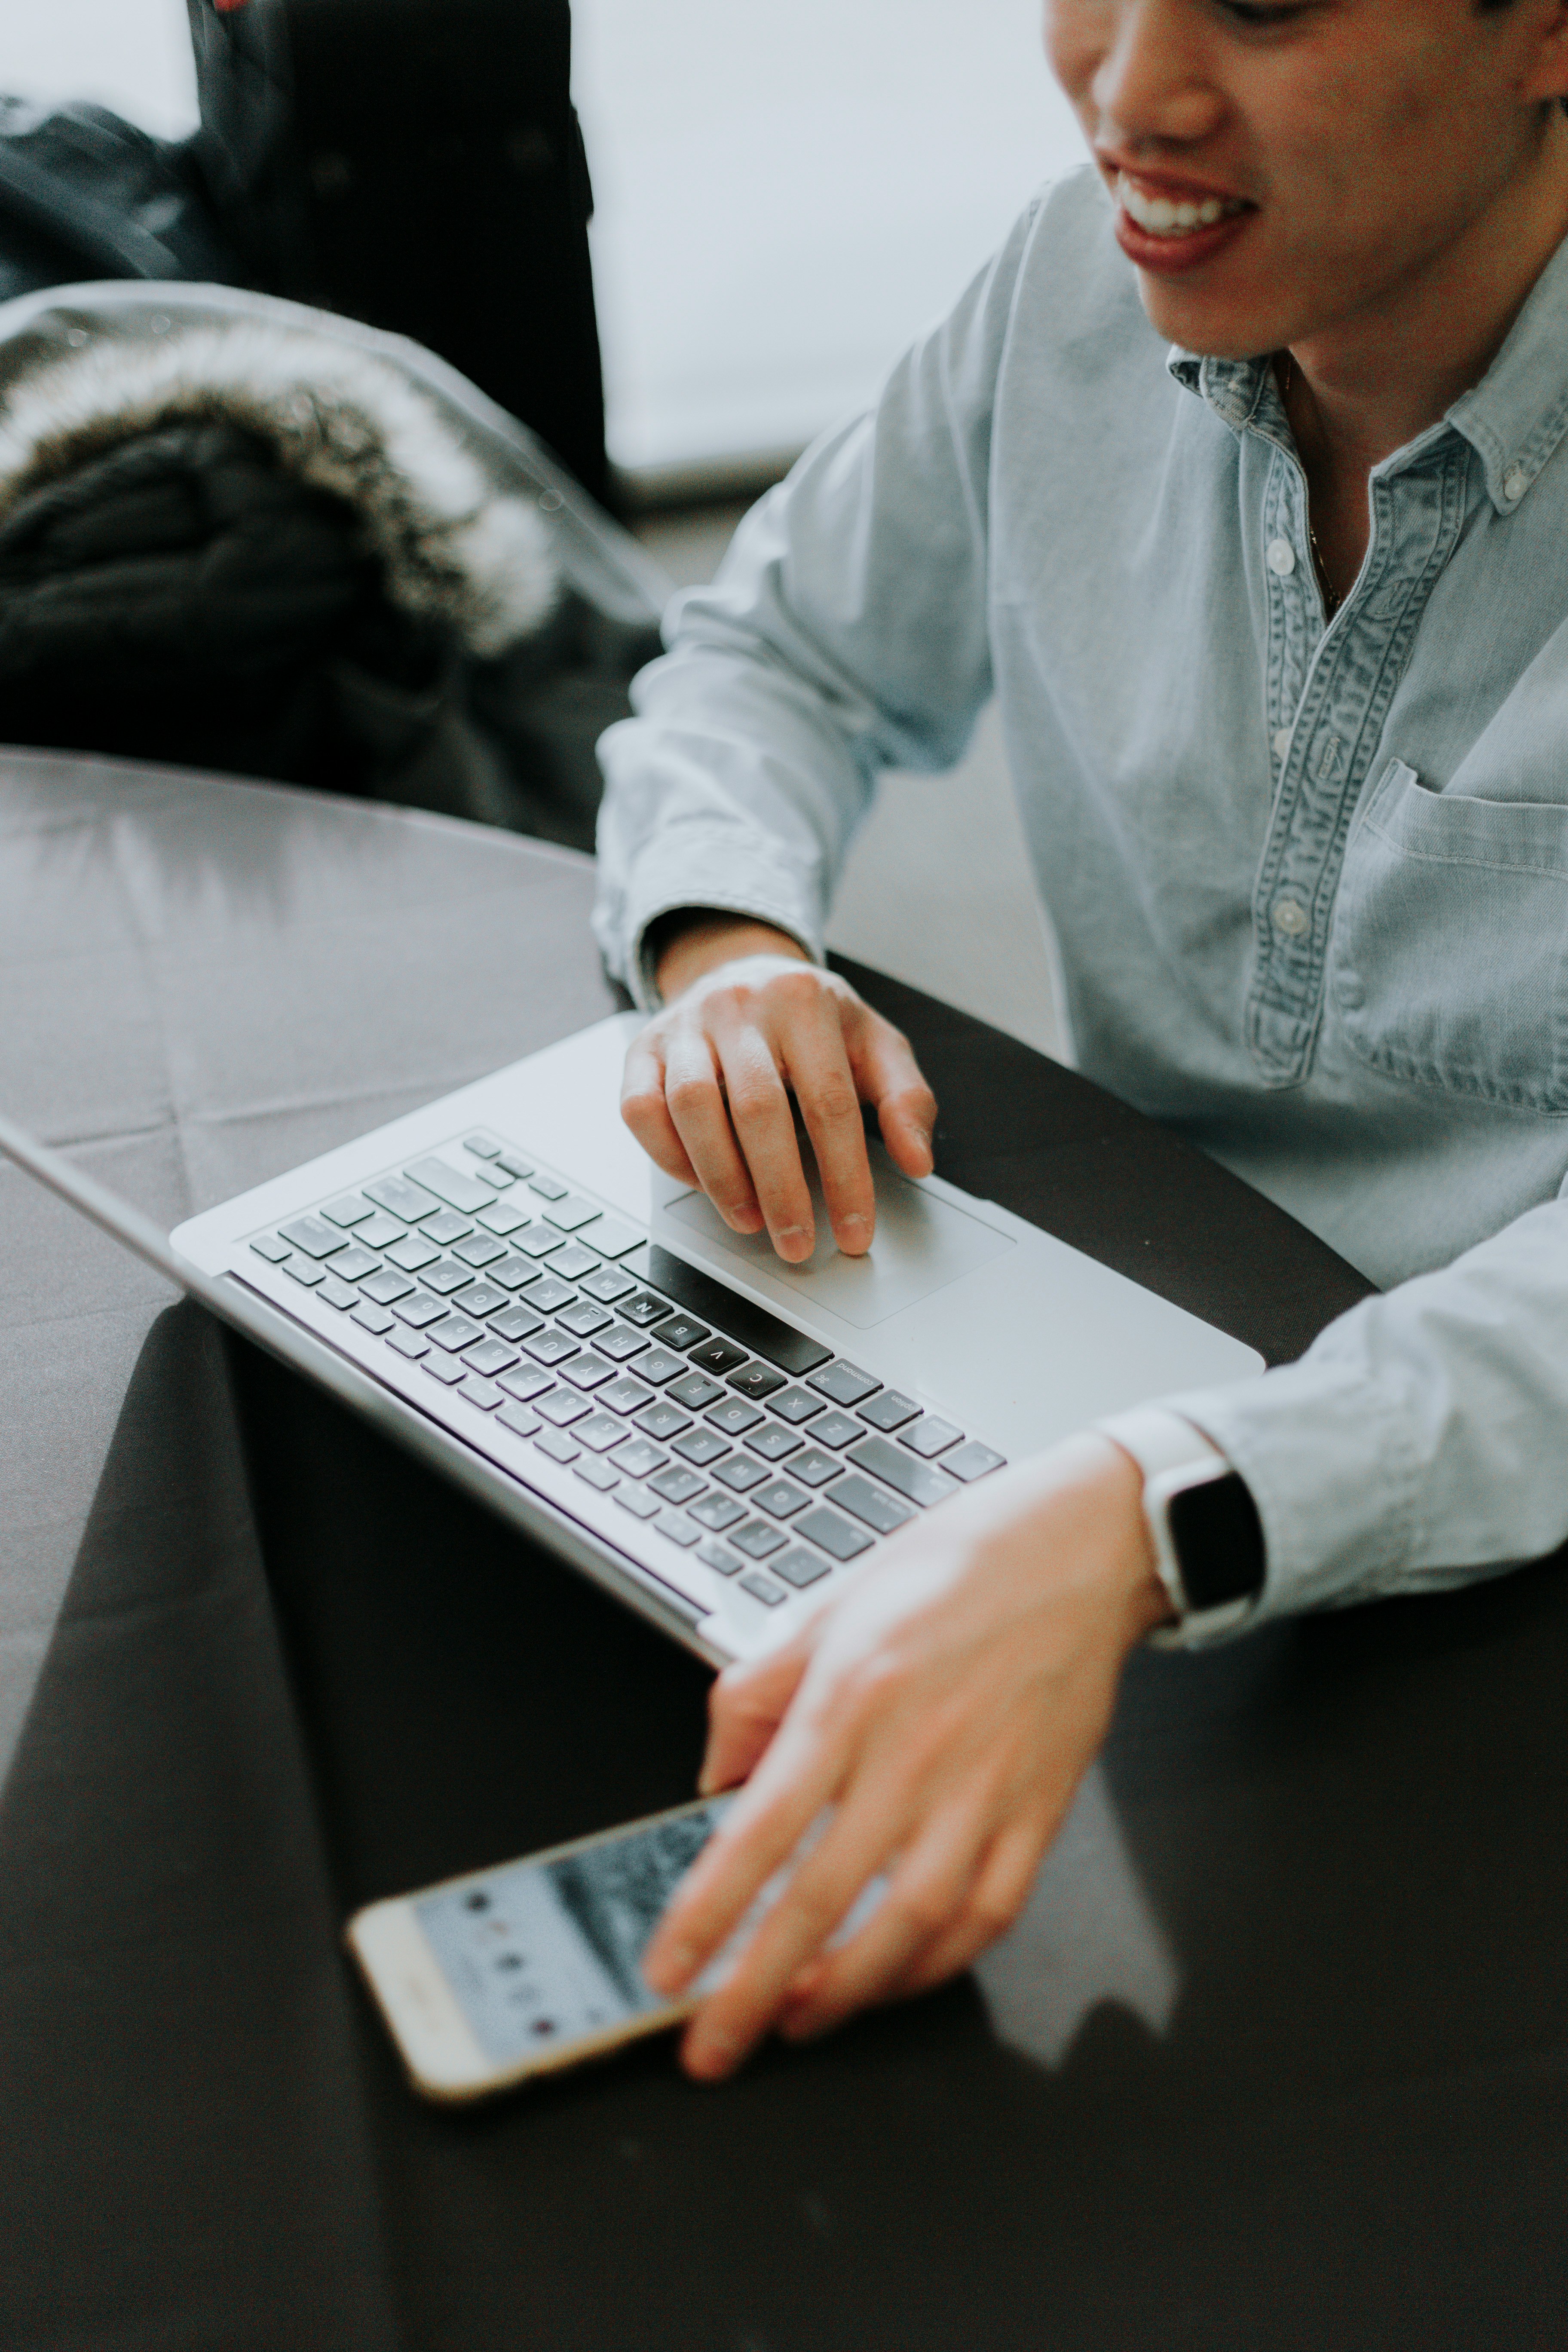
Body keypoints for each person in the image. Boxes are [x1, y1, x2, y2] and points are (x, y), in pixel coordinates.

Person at [592, 0, 1568, 2081]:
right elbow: (772, 658)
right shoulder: (1068, 287)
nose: (1131, 91)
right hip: (1121, 1385)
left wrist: (1148, 1516)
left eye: (1267, 4)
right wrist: (730, 943)